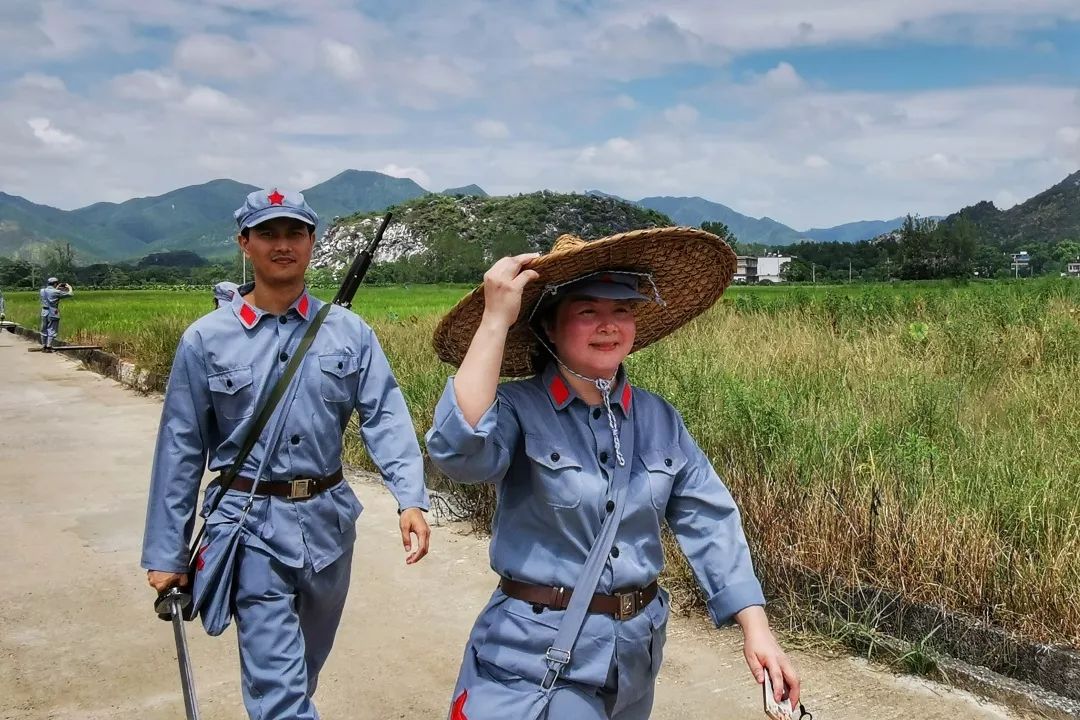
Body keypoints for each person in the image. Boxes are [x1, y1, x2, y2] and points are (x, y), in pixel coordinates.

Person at [426, 228, 800, 719]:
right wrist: (496, 319)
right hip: (536, 660)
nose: (609, 325)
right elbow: (459, 454)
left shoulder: (658, 418)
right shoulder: (518, 410)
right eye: (588, 312)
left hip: (634, 657)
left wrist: (757, 628)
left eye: (621, 310)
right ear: (550, 328)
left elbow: (709, 518)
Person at [141, 188, 432, 720]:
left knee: (301, 672)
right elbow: (181, 448)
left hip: (329, 523)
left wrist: (409, 498)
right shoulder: (206, 340)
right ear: (244, 244)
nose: (283, 244)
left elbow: (385, 415)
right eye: (268, 233)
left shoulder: (349, 332)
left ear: (312, 243)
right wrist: (167, 551)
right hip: (248, 523)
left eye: (294, 232)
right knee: (279, 691)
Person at [39, 277, 74, 352]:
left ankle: (43, 346)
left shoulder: (42, 291)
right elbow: (70, 294)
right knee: (52, 328)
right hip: (53, 312)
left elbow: (50, 292)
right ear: (55, 284)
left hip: (44, 311)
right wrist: (69, 287)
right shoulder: (56, 292)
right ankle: (49, 346)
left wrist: (57, 287)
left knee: (44, 329)